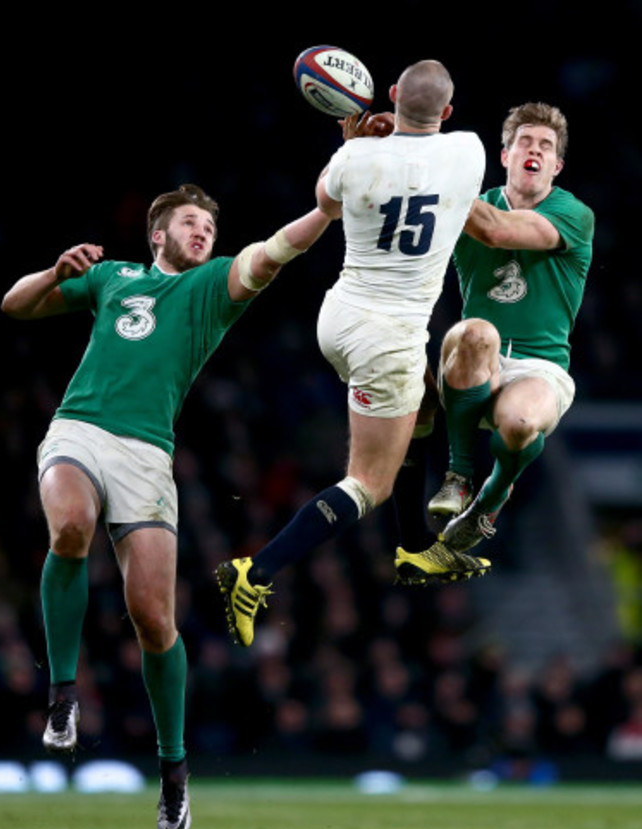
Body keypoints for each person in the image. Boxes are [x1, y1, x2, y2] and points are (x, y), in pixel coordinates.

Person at [0, 184, 332, 829]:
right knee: (69, 527)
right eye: (190, 222)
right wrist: (56, 271)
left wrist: (326, 208)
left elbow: (271, 254)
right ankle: (64, 694)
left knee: (155, 620)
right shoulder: (111, 276)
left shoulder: (211, 287)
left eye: (210, 224)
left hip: (148, 456)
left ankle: (173, 772)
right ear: (158, 234)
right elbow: (14, 305)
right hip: (80, 429)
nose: (204, 231)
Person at [214, 59, 490, 651]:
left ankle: (416, 548)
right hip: (387, 339)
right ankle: (254, 572)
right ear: (448, 111)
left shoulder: (351, 160)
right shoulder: (469, 151)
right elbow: (431, 161)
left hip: (340, 314)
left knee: (424, 407)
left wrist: (355, 143)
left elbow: (327, 201)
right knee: (369, 484)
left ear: (389, 94)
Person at [397, 101, 595, 571]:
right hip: (472, 363)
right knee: (477, 332)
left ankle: (491, 497)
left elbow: (497, 231)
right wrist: (389, 156)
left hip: (541, 368)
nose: (535, 150)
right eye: (524, 141)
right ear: (504, 155)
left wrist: (436, 177)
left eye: (545, 146)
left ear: (556, 165)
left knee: (523, 426)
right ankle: (459, 474)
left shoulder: (573, 214)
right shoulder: (473, 203)